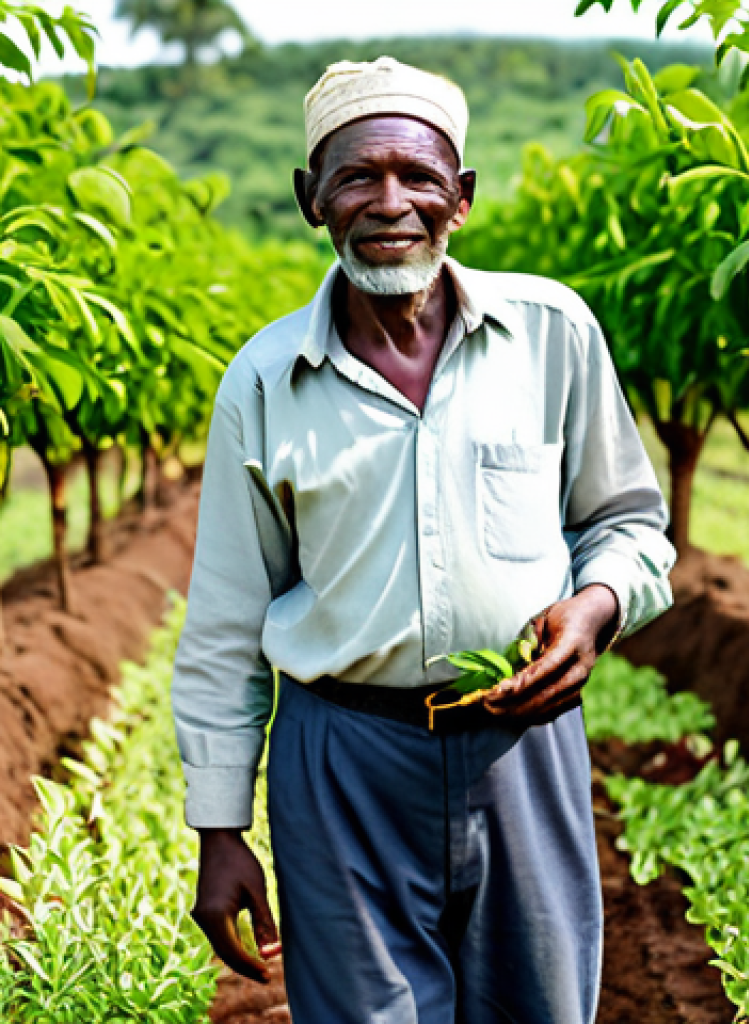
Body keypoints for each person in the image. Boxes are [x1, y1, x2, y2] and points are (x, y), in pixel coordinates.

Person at [171, 56, 676, 1024]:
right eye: (356, 174)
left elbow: (629, 525)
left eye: (419, 175)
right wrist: (218, 827)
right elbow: (228, 615)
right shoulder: (267, 379)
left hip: (519, 746)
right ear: (310, 197)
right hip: (340, 759)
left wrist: (597, 606)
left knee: (538, 1007)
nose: (389, 201)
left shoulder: (551, 332)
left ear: (463, 198)